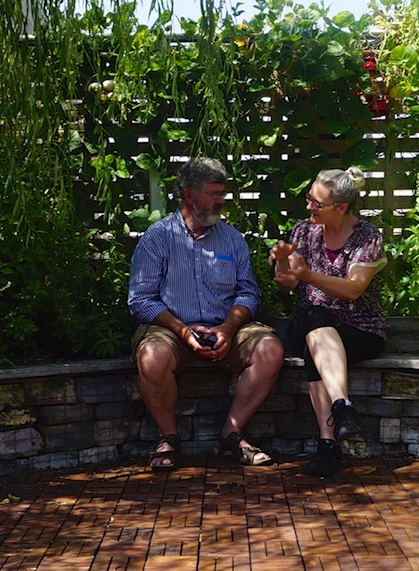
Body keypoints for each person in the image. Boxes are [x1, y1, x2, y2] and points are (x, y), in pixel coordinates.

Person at [128, 157, 285, 471]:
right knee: (151, 356)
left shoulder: (233, 239)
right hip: (171, 329)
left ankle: (232, 434)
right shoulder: (158, 238)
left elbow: (248, 293)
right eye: (213, 193)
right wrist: (182, 330)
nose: (221, 200)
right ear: (189, 195)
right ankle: (168, 438)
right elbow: (141, 300)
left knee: (270, 348)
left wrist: (228, 327)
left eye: (222, 193)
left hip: (225, 327)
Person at [270, 167, 388, 476]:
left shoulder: (368, 236)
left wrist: (308, 275)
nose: (309, 206)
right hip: (310, 319)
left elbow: (354, 289)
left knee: (314, 348)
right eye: (308, 198)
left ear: (341, 207)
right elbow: (287, 285)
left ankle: (328, 446)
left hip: (360, 327)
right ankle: (342, 406)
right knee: (314, 317)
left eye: (317, 203)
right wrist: (282, 261)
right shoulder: (302, 232)